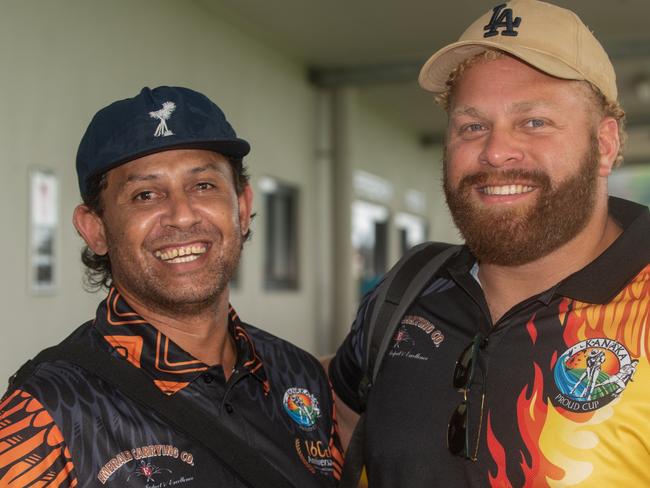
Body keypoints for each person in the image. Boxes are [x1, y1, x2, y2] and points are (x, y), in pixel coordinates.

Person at [328, 0, 650, 486]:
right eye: (472, 126)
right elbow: (340, 420)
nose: (496, 151)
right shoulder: (408, 292)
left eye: (534, 122)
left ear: (604, 144)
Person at [0, 86, 342, 487]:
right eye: (145, 194)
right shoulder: (45, 416)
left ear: (243, 208)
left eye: (203, 186)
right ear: (95, 229)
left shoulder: (299, 376)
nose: (181, 215)